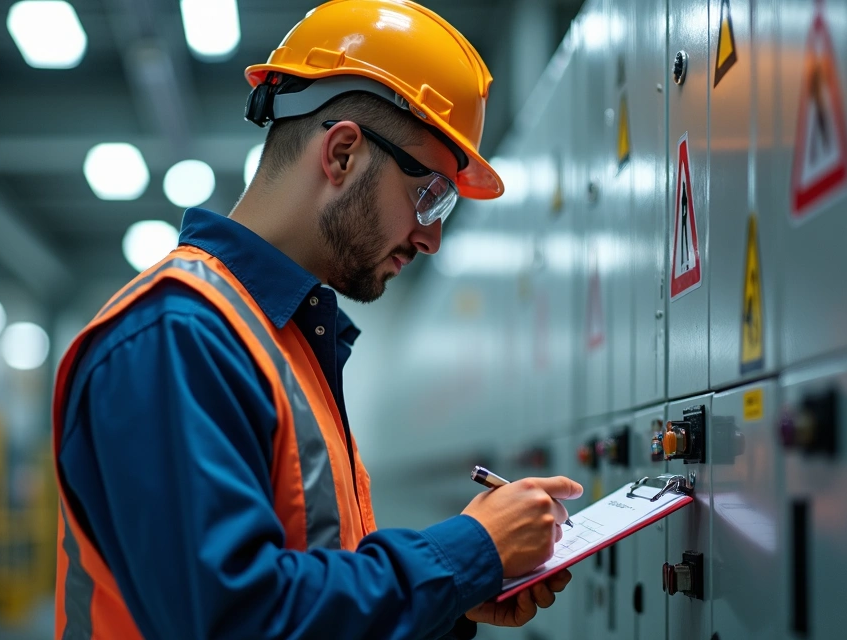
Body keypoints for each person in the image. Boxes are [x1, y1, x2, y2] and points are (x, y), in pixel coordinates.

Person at [51, 1, 583, 638]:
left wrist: (444, 601)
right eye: (431, 195)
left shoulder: (286, 342)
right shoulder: (176, 334)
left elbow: (304, 578)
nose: (432, 237)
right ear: (342, 154)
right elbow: (235, 619)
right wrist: (466, 552)